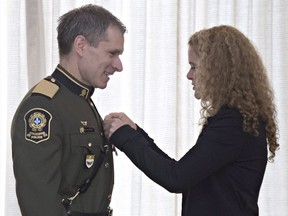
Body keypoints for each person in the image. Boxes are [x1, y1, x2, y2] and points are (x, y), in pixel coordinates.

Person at [103, 25, 279, 216]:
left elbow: (176, 178)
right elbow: (180, 170)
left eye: (194, 67)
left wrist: (124, 136)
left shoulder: (233, 123)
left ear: (218, 71)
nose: (189, 75)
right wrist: (134, 131)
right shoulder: (236, 119)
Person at [11, 4, 126, 216]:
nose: (118, 66)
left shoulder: (80, 99)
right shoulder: (43, 107)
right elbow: (39, 205)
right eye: (112, 53)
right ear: (81, 45)